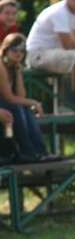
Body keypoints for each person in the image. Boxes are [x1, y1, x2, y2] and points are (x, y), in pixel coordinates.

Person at [0, 33, 58, 162]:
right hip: (4, 106)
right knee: (19, 109)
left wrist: (18, 74)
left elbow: (20, 96)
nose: (19, 53)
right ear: (5, 49)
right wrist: (35, 103)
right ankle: (28, 152)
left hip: (8, 106)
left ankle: (41, 151)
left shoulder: (13, 67)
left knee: (25, 110)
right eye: (14, 49)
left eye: (22, 50)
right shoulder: (1, 66)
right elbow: (9, 98)